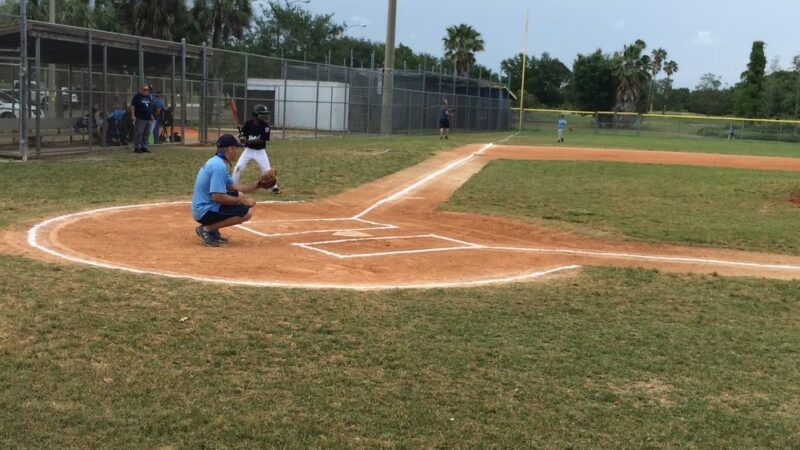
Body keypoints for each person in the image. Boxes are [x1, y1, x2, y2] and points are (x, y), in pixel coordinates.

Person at [191, 134, 260, 247]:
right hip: (203, 211)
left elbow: (233, 187)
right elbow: (217, 197)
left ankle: (211, 229)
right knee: (247, 212)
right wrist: (241, 201)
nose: (237, 151)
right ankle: (207, 229)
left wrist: (257, 186)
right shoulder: (219, 167)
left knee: (240, 194)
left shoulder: (216, 161)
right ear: (230, 149)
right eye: (236, 148)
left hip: (203, 206)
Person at [233, 104, 280, 194]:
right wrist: (241, 137)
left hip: (260, 152)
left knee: (267, 170)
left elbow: (261, 140)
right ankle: (232, 185)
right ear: (256, 115)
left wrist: (247, 141)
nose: (265, 116)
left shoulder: (266, 126)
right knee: (238, 167)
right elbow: (243, 135)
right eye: (262, 114)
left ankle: (274, 187)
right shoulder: (248, 124)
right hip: (248, 151)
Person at [129, 84, 155, 153]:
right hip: (140, 118)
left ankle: (144, 147)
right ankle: (137, 147)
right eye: (144, 89)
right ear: (141, 90)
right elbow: (133, 106)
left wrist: (151, 115)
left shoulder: (149, 97)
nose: (146, 91)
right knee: (139, 133)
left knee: (147, 133)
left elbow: (149, 107)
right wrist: (133, 115)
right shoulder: (137, 97)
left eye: (147, 90)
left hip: (148, 118)